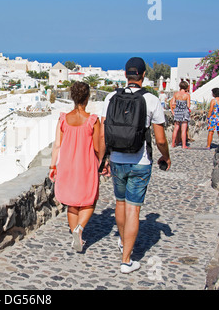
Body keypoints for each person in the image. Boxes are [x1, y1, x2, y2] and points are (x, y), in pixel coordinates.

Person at [99, 57, 171, 274]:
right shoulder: (151, 99)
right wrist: (166, 157)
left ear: (125, 75)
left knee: (119, 204)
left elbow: (103, 134)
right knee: (133, 209)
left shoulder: (111, 97)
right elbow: (160, 139)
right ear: (143, 75)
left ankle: (123, 242)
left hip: (117, 161)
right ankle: (126, 259)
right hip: (140, 162)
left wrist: (102, 160)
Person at [49, 81, 101, 253]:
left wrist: (52, 166)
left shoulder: (63, 119)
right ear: (87, 97)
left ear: (72, 97)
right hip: (86, 165)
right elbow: (98, 147)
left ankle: (75, 234)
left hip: (67, 165)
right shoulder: (92, 120)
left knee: (72, 203)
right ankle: (79, 229)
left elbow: (57, 145)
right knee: (89, 200)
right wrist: (101, 164)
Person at [171, 81, 191, 149]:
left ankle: (173, 143)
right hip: (184, 112)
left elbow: (173, 103)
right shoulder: (187, 95)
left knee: (176, 128)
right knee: (183, 129)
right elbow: (188, 105)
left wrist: (177, 106)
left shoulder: (176, 94)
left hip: (177, 112)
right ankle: (184, 145)